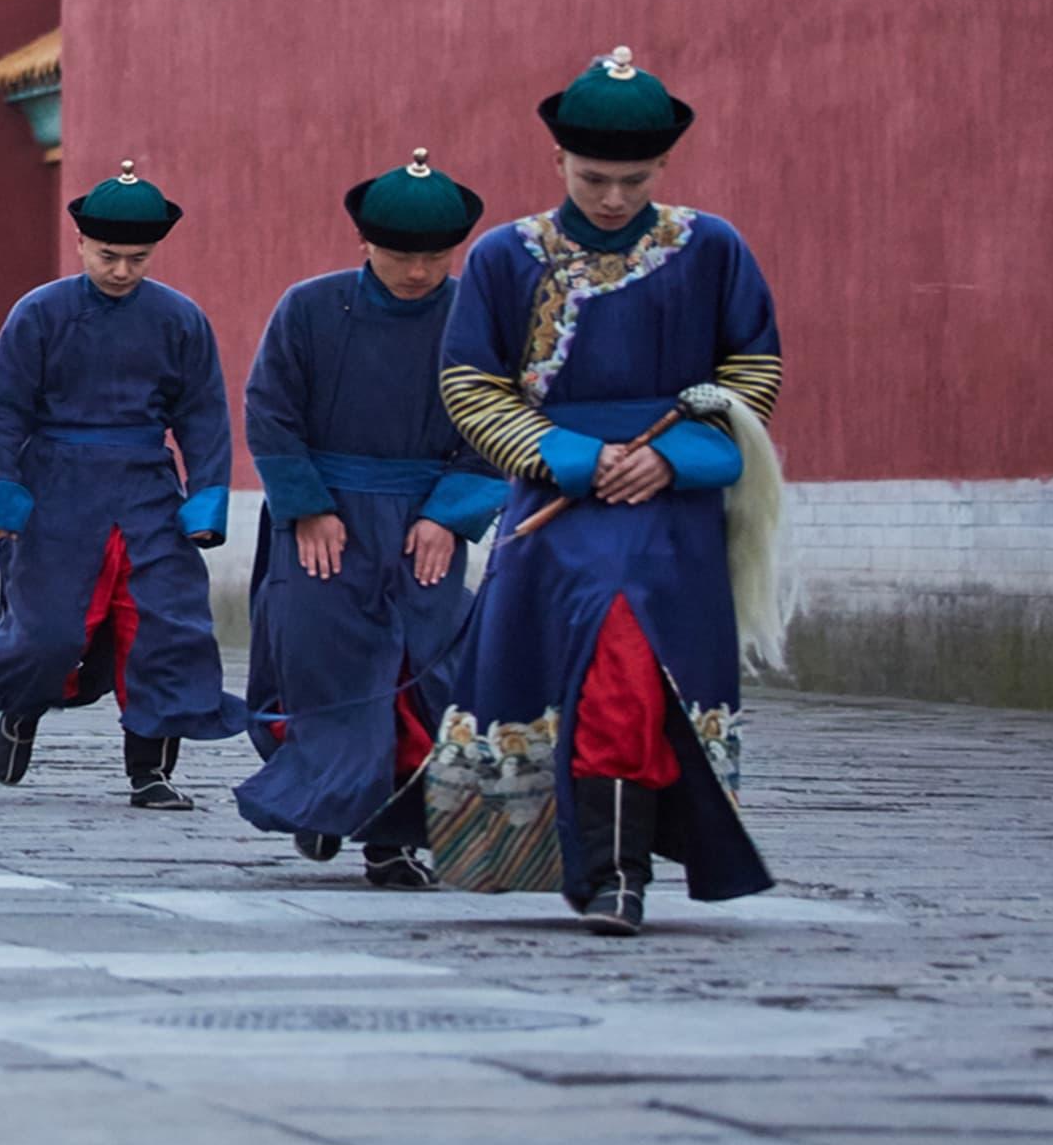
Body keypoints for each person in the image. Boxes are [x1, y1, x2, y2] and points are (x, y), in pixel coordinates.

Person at [426, 47, 786, 936]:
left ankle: (618, 871)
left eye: (635, 179)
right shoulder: (507, 256)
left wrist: (675, 459)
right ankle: (604, 868)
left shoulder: (713, 248)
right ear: (557, 163)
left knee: (629, 669)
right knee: (580, 675)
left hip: (674, 510)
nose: (614, 198)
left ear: (664, 167)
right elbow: (471, 382)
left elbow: (752, 370)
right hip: (557, 502)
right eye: (594, 178)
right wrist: (578, 459)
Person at [231, 152, 512, 885]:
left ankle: (393, 836)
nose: (416, 273)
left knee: (424, 676)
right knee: (321, 668)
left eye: (434, 258)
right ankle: (326, 800)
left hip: (426, 521)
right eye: (398, 256)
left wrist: (452, 515)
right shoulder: (310, 308)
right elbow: (271, 410)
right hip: (327, 518)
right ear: (365, 243)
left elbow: (498, 421)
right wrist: (308, 508)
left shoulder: (479, 322)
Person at [0, 163, 247, 810]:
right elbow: (3, 410)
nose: (121, 271)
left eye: (137, 259)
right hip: (55, 489)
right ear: (82, 244)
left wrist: (205, 496)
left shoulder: (179, 319)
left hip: (146, 491)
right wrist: (0, 492)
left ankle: (151, 770)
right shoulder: (39, 314)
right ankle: (21, 710)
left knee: (163, 628)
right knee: (49, 632)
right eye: (108, 256)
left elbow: (203, 415)